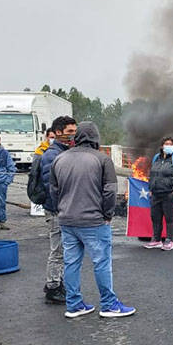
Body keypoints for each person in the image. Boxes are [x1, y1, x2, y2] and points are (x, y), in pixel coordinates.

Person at [49, 121, 136, 319]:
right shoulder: (102, 160)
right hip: (94, 222)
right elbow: (110, 191)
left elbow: (53, 191)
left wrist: (61, 210)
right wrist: (107, 215)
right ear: (96, 138)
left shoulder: (59, 159)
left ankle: (74, 304)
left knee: (71, 263)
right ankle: (108, 304)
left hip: (67, 221)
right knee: (101, 263)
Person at [39, 116, 76, 304]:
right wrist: (62, 209)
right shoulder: (52, 155)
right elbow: (50, 187)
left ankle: (57, 282)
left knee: (62, 249)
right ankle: (53, 286)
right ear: (58, 132)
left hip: (62, 209)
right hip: (56, 211)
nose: (73, 135)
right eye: (69, 132)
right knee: (57, 250)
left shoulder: (64, 152)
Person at [143, 137, 173, 251]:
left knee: (169, 218)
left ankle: (169, 240)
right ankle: (156, 239)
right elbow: (152, 175)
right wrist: (150, 188)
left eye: (170, 144)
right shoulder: (156, 158)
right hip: (156, 194)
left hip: (170, 194)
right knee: (155, 217)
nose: (168, 146)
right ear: (162, 146)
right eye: (166, 143)